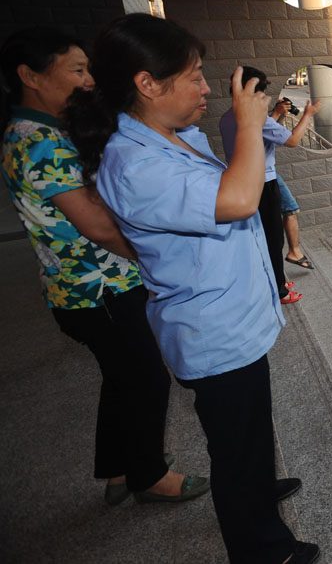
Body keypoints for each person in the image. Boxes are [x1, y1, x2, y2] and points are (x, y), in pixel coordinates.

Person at [66, 14, 318, 564]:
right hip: (214, 331)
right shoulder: (133, 163)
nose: (205, 87)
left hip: (231, 318)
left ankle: (256, 487)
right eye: (195, 76)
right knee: (236, 448)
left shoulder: (169, 136)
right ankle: (263, 549)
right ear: (147, 84)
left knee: (248, 434)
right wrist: (250, 124)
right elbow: (236, 200)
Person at [1, 27, 206, 507]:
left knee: (121, 376)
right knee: (146, 378)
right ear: (30, 76)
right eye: (76, 70)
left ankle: (117, 468)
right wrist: (155, 259)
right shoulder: (40, 141)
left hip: (77, 290)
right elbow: (96, 225)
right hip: (99, 289)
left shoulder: (31, 130)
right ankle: (150, 476)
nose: (89, 80)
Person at [219, 77, 320, 305]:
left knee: (264, 235)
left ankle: (278, 280)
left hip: (244, 179)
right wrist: (308, 115)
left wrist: (275, 115)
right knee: (273, 239)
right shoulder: (257, 119)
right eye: (262, 94)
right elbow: (293, 140)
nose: (265, 99)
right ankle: (280, 291)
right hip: (263, 182)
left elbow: (257, 135)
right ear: (252, 93)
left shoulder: (227, 117)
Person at [277, 174, 313, 270]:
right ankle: (294, 252)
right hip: (262, 175)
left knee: (290, 209)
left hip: (266, 173)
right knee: (290, 209)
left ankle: (294, 252)